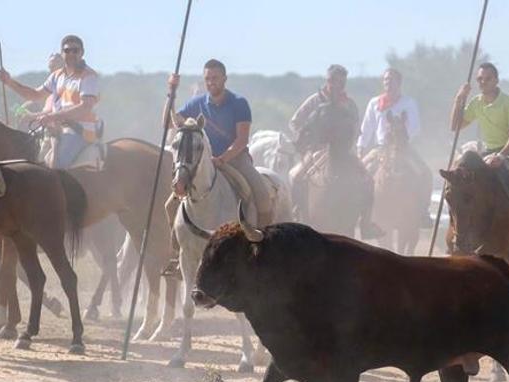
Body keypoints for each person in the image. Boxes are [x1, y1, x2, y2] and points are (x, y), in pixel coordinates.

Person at [161, 58, 272, 276]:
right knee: (169, 205)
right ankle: (177, 254)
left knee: (262, 195)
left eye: (215, 78)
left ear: (224, 79)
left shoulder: (239, 103)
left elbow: (242, 139)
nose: (211, 82)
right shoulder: (196, 104)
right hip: (201, 162)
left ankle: (263, 246)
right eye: (207, 79)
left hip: (234, 159)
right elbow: (169, 123)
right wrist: (171, 94)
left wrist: (222, 158)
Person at [450, 62, 509, 259]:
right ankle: (463, 234)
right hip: (488, 152)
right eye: (480, 80)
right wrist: (459, 99)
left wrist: (501, 156)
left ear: (496, 80)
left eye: (487, 79)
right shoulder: (476, 102)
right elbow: (456, 126)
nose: (483, 83)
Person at [288, 64, 384, 239]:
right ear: (328, 81)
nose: (336, 85)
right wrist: (307, 139)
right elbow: (295, 122)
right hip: (317, 150)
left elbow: (357, 129)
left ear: (344, 84)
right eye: (333, 81)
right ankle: (296, 211)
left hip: (344, 151)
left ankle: (366, 224)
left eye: (340, 82)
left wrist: (349, 139)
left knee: (368, 180)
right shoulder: (314, 101)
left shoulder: (349, 104)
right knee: (296, 176)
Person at [0, 35, 101, 168]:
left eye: (75, 50)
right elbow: (35, 95)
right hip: (56, 127)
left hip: (79, 131)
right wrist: (9, 82)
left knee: (57, 166)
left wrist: (53, 116)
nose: (71, 53)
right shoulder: (57, 75)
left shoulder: (88, 76)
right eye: (67, 50)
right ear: (62, 53)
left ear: (82, 52)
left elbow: (85, 106)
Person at [357, 68, 421, 158]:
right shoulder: (374, 102)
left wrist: (400, 139)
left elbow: (415, 126)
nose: (387, 82)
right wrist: (361, 146)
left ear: (399, 82)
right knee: (363, 169)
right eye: (385, 79)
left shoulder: (409, 102)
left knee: (423, 170)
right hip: (380, 149)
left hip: (403, 149)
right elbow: (367, 126)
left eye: (391, 79)